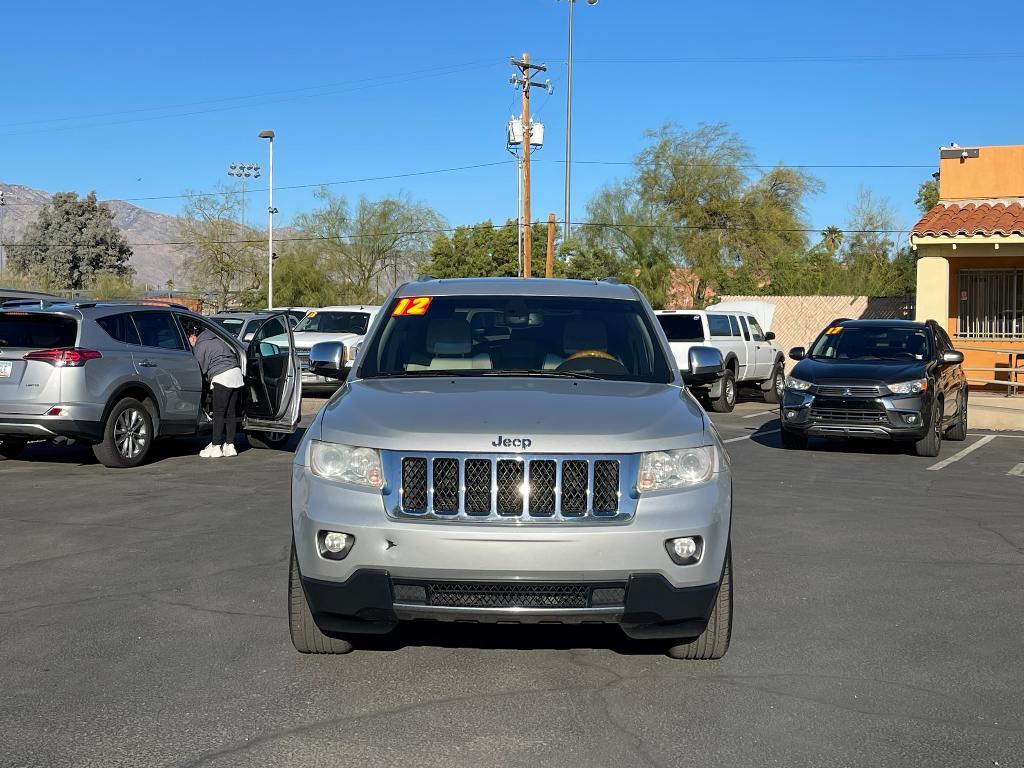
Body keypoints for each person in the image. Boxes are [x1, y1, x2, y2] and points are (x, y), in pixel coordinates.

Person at [186, 322, 244, 458]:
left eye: (189, 340)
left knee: (218, 414)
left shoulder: (201, 345)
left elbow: (199, 369)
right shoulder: (217, 340)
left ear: (193, 337)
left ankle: (216, 446)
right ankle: (230, 446)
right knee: (231, 413)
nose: (190, 344)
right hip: (236, 375)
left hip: (222, 377)